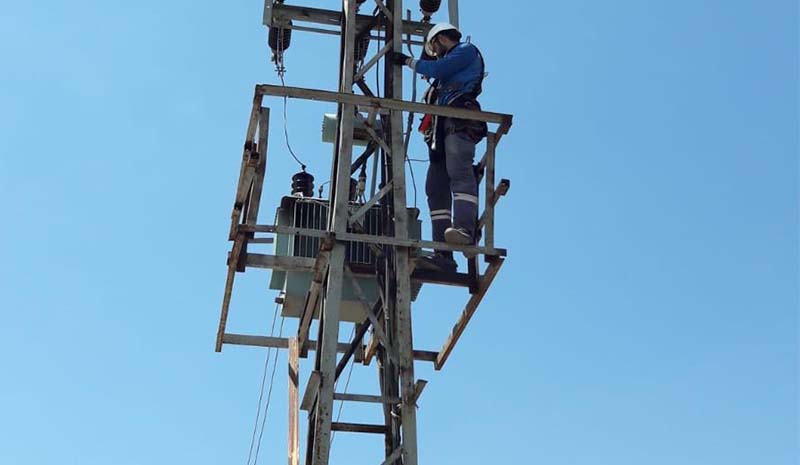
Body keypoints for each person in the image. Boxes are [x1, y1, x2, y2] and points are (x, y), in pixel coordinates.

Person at [391, 23, 487, 272]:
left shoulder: (465, 51)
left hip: (459, 119)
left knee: (459, 172)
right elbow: (433, 70)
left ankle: (464, 230)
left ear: (442, 39)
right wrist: (425, 58)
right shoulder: (442, 80)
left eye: (434, 47)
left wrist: (408, 61)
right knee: (435, 188)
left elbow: (438, 68)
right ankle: (443, 255)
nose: (434, 53)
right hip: (442, 128)